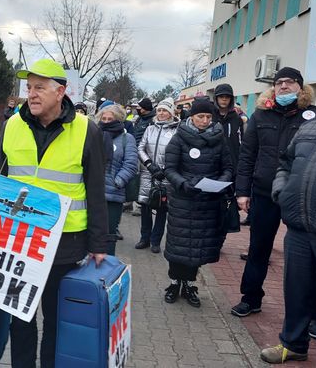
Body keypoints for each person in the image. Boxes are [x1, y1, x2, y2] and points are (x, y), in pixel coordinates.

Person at [0, 58, 108, 368]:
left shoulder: (87, 131)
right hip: (19, 240)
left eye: (40, 88)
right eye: (29, 87)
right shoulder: (12, 126)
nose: (31, 94)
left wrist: (99, 244)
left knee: (57, 321)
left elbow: (96, 189)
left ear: (61, 92)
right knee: (19, 318)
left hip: (65, 243)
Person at [259, 71, 316, 366]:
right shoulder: (311, 127)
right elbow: (286, 162)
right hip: (299, 230)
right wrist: (282, 189)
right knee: (296, 291)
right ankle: (293, 344)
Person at [231, 67, 316, 318]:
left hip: (300, 196)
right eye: (278, 83)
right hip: (263, 193)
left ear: (300, 87)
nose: (283, 87)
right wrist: (242, 192)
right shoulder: (261, 116)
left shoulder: (315, 117)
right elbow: (247, 155)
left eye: (289, 82)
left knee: (306, 254)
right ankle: (251, 298)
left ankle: (310, 313)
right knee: (258, 248)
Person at [163, 98, 233, 307]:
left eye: (208, 117)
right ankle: (174, 283)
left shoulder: (219, 139)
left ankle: (190, 285)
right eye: (200, 116)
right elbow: (169, 169)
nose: (204, 120)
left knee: (198, 247)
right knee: (179, 244)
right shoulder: (179, 139)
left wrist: (219, 183)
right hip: (183, 200)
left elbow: (228, 167)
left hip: (207, 203)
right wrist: (182, 183)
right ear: (191, 117)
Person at [135, 97, 179, 253]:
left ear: (171, 113)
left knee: (162, 209)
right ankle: (144, 238)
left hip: (166, 176)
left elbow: (178, 153)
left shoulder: (177, 130)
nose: (161, 113)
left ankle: (155, 241)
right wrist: (149, 164)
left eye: (165, 111)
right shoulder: (149, 128)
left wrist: (165, 169)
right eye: (159, 110)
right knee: (145, 207)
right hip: (148, 174)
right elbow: (140, 148)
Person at [96, 103, 138, 255]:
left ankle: (106, 270)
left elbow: (131, 164)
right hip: (92, 192)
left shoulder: (127, 138)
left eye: (110, 119)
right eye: (104, 118)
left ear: (119, 120)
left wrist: (117, 182)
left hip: (113, 195)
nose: (106, 122)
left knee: (108, 235)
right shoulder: (94, 134)